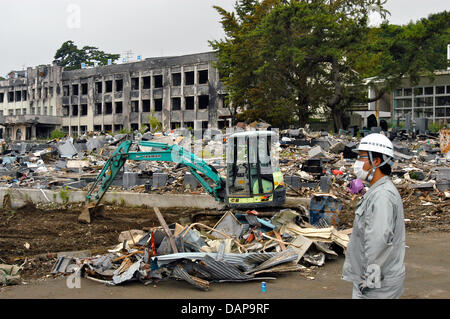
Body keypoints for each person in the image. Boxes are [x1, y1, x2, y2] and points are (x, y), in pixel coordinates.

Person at [342, 133, 406, 299]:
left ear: (376, 161)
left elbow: (378, 242)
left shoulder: (382, 196)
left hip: (377, 285)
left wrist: (368, 283)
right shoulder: (378, 191)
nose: (357, 163)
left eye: (361, 157)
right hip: (377, 281)